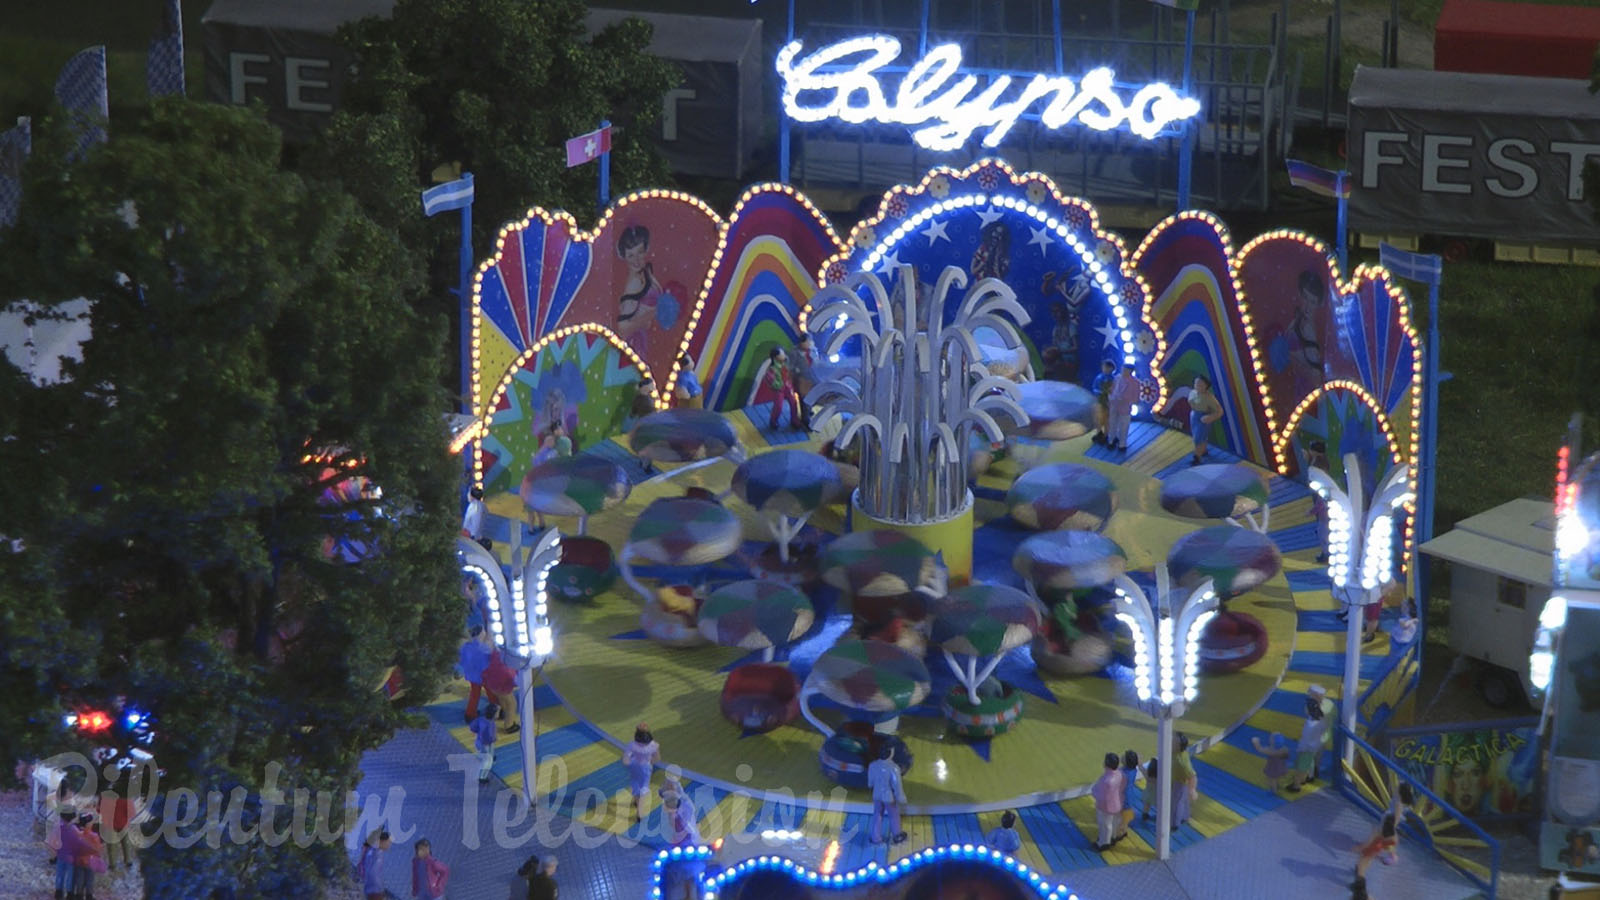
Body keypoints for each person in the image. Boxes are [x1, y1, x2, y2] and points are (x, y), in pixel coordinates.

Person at [1288, 685, 1333, 792]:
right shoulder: (1326, 711)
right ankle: (1311, 776)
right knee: (1313, 760)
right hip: (1320, 741)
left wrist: (1302, 745)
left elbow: (1307, 736)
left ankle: (1297, 785)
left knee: (1302, 766)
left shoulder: (1312, 723)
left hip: (1309, 746)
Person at [867, 745, 908, 845]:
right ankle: (897, 834)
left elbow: (870, 783)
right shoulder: (893, 768)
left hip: (876, 794)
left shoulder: (873, 765)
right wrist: (901, 797)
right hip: (888, 796)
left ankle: (875, 837)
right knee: (893, 815)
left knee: (877, 814)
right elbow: (897, 785)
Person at [458, 626, 499, 722]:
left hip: (472, 676)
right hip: (485, 676)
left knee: (474, 694)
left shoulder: (465, 647)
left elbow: (462, 661)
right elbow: (489, 661)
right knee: (491, 693)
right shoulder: (484, 648)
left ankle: (470, 714)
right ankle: (495, 709)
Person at [766, 347, 809, 432]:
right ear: (776, 357)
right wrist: (778, 385)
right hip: (779, 389)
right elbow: (770, 380)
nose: (784, 355)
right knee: (778, 406)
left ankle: (794, 420)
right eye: (781, 354)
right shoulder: (772, 369)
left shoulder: (786, 363)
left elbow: (790, 370)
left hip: (787, 386)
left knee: (793, 402)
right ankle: (773, 421)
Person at [624, 724, 661, 821]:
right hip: (646, 768)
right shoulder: (653, 745)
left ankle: (636, 800)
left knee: (635, 784)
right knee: (644, 787)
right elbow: (657, 758)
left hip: (634, 766)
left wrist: (630, 763)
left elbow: (626, 760)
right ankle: (639, 813)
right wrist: (650, 762)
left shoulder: (632, 745)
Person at [1092, 752, 1125, 851]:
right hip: (1117, 803)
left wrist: (1094, 792)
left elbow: (1099, 793)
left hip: (1105, 806)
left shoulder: (1106, 780)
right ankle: (1113, 837)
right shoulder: (1120, 774)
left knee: (1104, 824)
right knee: (1114, 822)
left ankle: (1103, 842)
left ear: (1106, 764)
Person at [1188, 375, 1223, 465]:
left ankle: (1197, 457)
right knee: (1197, 436)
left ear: (1205, 386)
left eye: (1200, 384)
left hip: (1203, 418)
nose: (1197, 385)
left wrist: (1210, 417)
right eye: (1196, 383)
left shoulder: (1209, 398)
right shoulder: (1193, 393)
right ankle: (1202, 450)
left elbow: (1219, 411)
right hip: (1194, 416)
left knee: (1199, 438)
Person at [1106, 362, 1140, 453]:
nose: (1123, 371)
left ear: (1130, 371)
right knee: (1112, 423)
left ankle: (1122, 444)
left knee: (1124, 426)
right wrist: (1110, 396)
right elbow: (1112, 388)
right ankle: (1111, 440)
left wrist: (1126, 400)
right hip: (1114, 403)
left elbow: (1136, 398)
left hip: (1125, 406)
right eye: (1122, 369)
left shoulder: (1135, 383)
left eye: (1125, 370)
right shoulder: (1117, 378)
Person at [1354, 813, 1399, 878]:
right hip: (1378, 848)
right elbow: (1393, 844)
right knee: (1368, 860)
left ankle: (1360, 879)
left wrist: (1360, 847)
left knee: (1362, 861)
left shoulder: (1378, 830)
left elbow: (1369, 841)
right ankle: (1360, 872)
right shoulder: (1394, 835)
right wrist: (1390, 851)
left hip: (1372, 846)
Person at [355, 830, 391, 900]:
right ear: (382, 841)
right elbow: (373, 873)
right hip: (374, 890)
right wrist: (379, 889)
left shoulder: (372, 851)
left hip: (370, 889)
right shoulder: (376, 853)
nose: (389, 845)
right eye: (388, 842)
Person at [1171, 733, 1196, 828]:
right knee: (1183, 801)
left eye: (1173, 742)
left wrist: (1192, 789)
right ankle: (1185, 816)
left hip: (1180, 782)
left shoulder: (1181, 761)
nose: (1170, 742)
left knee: (1176, 804)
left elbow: (1192, 775)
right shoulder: (1180, 753)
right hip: (1179, 780)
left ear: (1178, 746)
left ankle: (1174, 823)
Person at [471, 702, 500, 784]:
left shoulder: (482, 719)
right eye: (497, 712)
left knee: (490, 750)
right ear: (493, 714)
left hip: (482, 742)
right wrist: (494, 738)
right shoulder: (489, 724)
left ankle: (490, 756)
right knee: (487, 761)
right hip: (485, 744)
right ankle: (482, 777)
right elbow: (490, 737)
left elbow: (472, 726)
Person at [1090, 360, 1115, 445]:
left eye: (1106, 367)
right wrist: (1098, 393)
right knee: (1098, 418)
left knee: (1107, 419)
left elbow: (1113, 391)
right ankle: (1099, 432)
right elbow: (1094, 388)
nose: (1104, 369)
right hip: (1099, 401)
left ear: (1111, 368)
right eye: (1103, 367)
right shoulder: (1099, 377)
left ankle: (1106, 434)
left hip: (1107, 402)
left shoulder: (1113, 379)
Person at [1118, 750, 1141, 839]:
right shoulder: (1133, 770)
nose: (1122, 756)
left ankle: (1121, 833)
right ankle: (1124, 830)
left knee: (1122, 817)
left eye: (1124, 757)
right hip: (1129, 796)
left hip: (1124, 798)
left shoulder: (1123, 773)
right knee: (1125, 817)